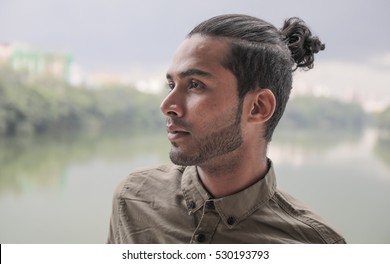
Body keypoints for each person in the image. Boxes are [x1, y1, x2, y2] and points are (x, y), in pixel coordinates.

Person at [107, 14, 346, 244]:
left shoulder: (315, 245)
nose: (167, 106)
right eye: (171, 84)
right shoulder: (133, 197)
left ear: (258, 107)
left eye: (195, 85)